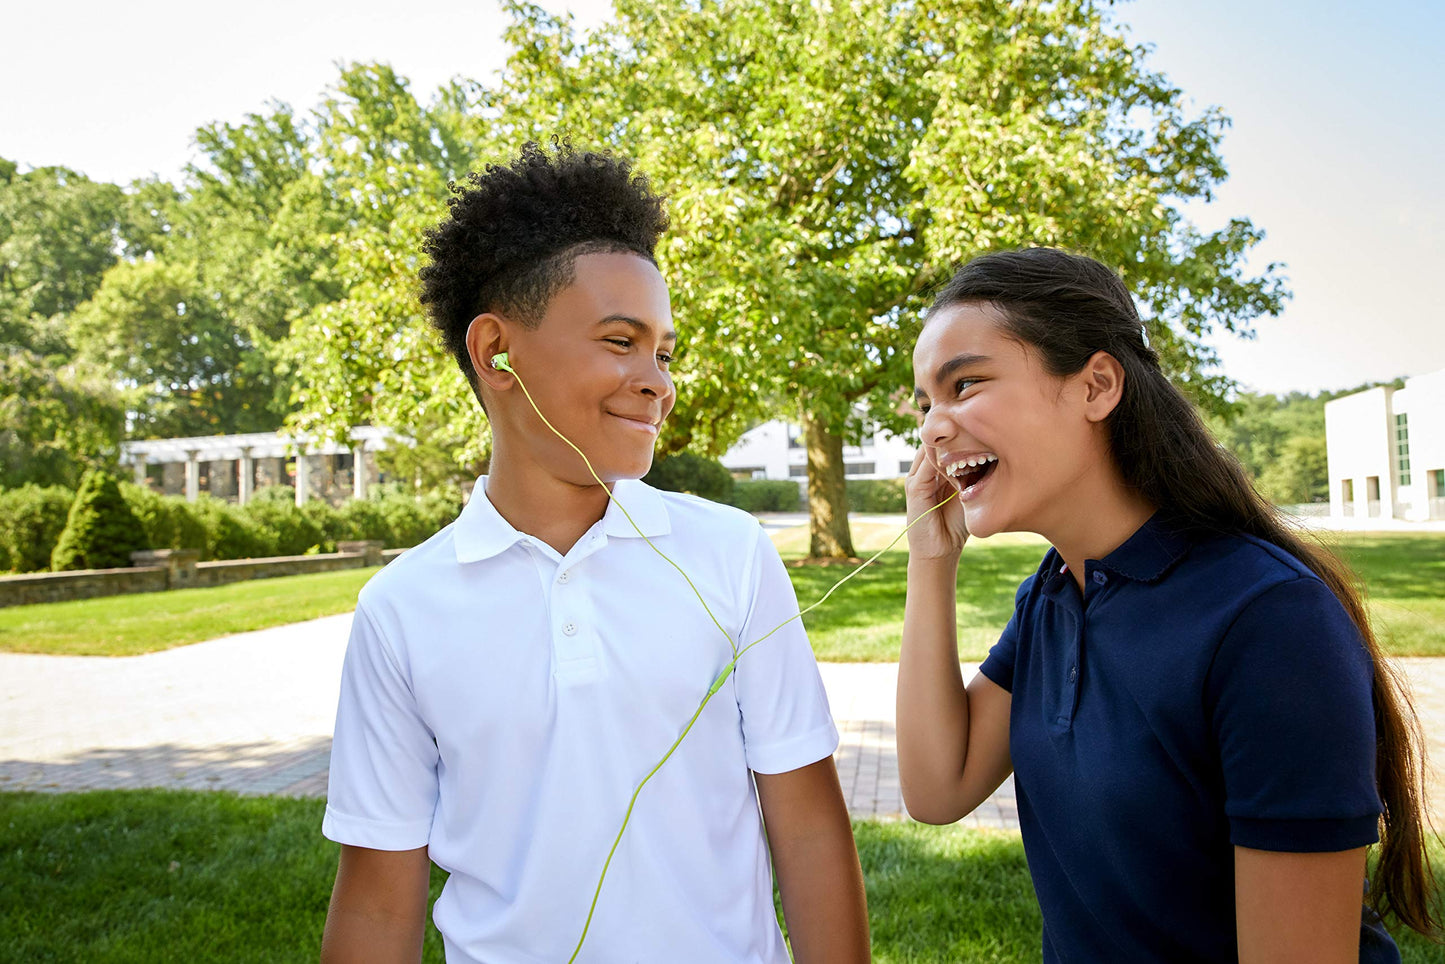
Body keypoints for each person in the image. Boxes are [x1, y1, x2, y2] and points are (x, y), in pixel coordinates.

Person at [319, 143, 869, 963]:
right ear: (495, 352)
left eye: (664, 352)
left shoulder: (728, 553)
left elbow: (810, 826)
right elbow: (375, 894)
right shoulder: (402, 609)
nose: (657, 380)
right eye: (621, 341)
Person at [897, 247, 1438, 962]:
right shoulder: (1053, 594)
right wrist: (929, 562)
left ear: (1095, 386)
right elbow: (938, 789)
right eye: (926, 403)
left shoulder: (1269, 622)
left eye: (964, 385)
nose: (933, 428)